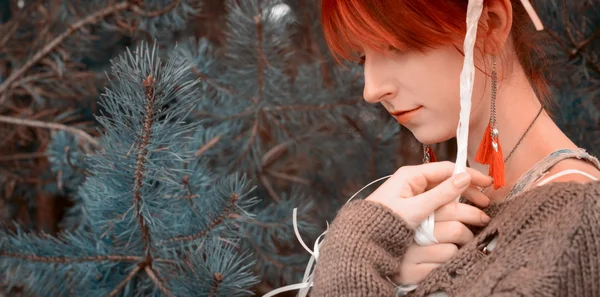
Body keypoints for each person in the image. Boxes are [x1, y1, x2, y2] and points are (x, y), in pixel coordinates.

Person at [310, 0, 600, 296]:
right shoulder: (449, 218)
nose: (371, 90)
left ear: (490, 26)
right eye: (362, 59)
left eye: (395, 46)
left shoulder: (576, 225)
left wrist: (353, 256)